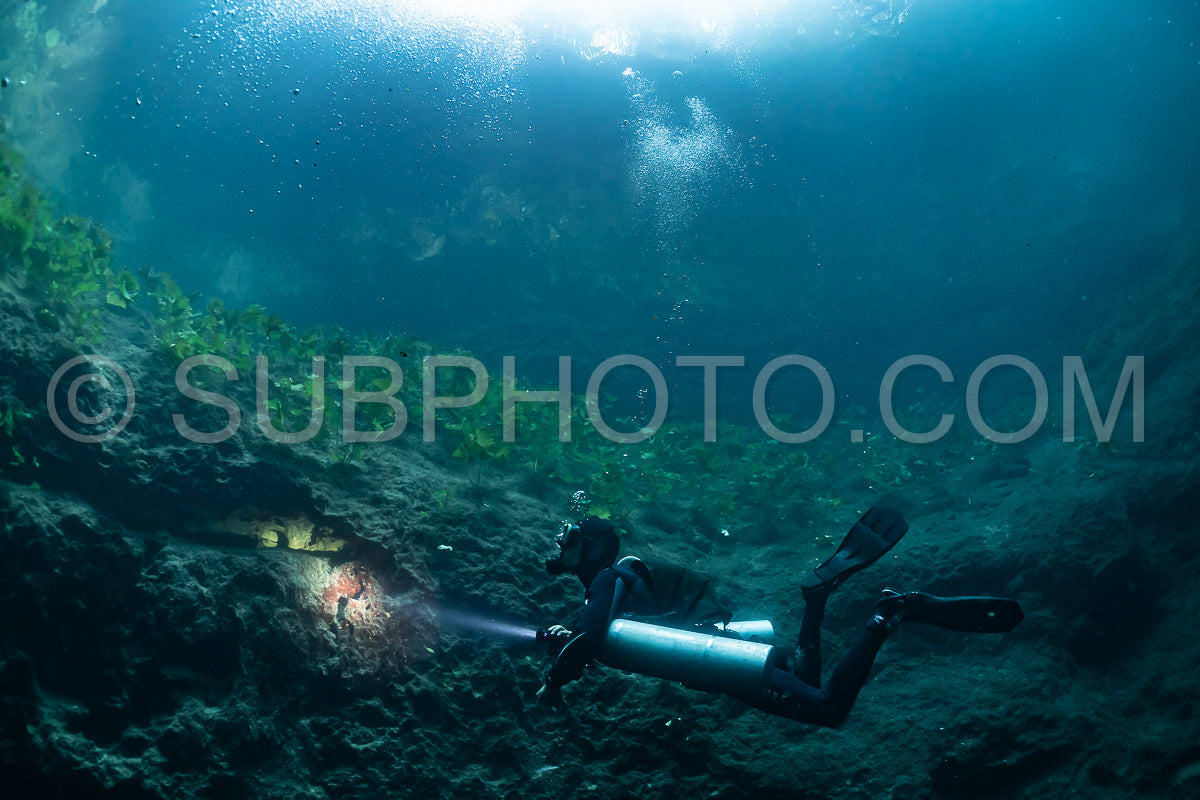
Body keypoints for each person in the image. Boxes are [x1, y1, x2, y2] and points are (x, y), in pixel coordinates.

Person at [534, 507, 1023, 726]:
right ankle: (815, 599)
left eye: (570, 540)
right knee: (808, 678)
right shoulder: (620, 579)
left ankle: (890, 615)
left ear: (593, 547)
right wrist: (571, 636)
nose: (561, 547)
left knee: (828, 710)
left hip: (721, 659)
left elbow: (589, 637)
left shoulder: (605, 579)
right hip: (723, 649)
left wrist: (554, 681)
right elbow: (596, 634)